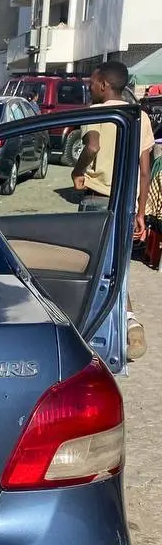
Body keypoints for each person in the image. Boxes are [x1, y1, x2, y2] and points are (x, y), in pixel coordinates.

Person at [72, 60, 153, 358]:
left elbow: (91, 147)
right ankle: (129, 325)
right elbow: (145, 170)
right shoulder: (140, 117)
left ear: (104, 84)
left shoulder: (96, 114)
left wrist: (77, 170)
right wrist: (140, 211)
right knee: (117, 267)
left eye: (92, 82)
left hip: (96, 201)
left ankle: (89, 335)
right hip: (126, 203)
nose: (89, 86)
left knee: (93, 268)